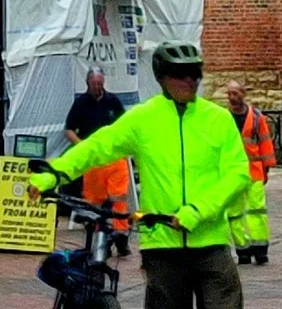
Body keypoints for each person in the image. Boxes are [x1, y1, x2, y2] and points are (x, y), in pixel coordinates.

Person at [32, 43, 251, 309]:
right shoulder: (144, 118)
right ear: (161, 77)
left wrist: (197, 210)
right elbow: (98, 145)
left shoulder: (218, 119)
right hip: (162, 245)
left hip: (211, 242)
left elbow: (237, 173)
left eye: (195, 74)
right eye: (180, 74)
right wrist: (55, 174)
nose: (189, 81)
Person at [64, 70, 133, 252]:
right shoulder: (80, 103)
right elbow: (69, 130)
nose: (96, 87)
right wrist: (83, 147)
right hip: (93, 160)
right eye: (93, 83)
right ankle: (100, 237)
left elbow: (125, 127)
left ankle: (121, 235)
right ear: (87, 83)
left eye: (99, 83)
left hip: (114, 158)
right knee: (94, 201)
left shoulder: (113, 101)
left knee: (118, 197)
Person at [220, 81, 276, 266]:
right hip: (232, 173)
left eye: (235, 93)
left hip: (254, 172)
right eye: (229, 93)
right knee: (234, 213)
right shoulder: (222, 118)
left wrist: (266, 168)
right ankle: (242, 248)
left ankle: (260, 249)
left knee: (256, 210)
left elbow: (265, 143)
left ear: (244, 93)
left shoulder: (257, 118)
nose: (231, 97)